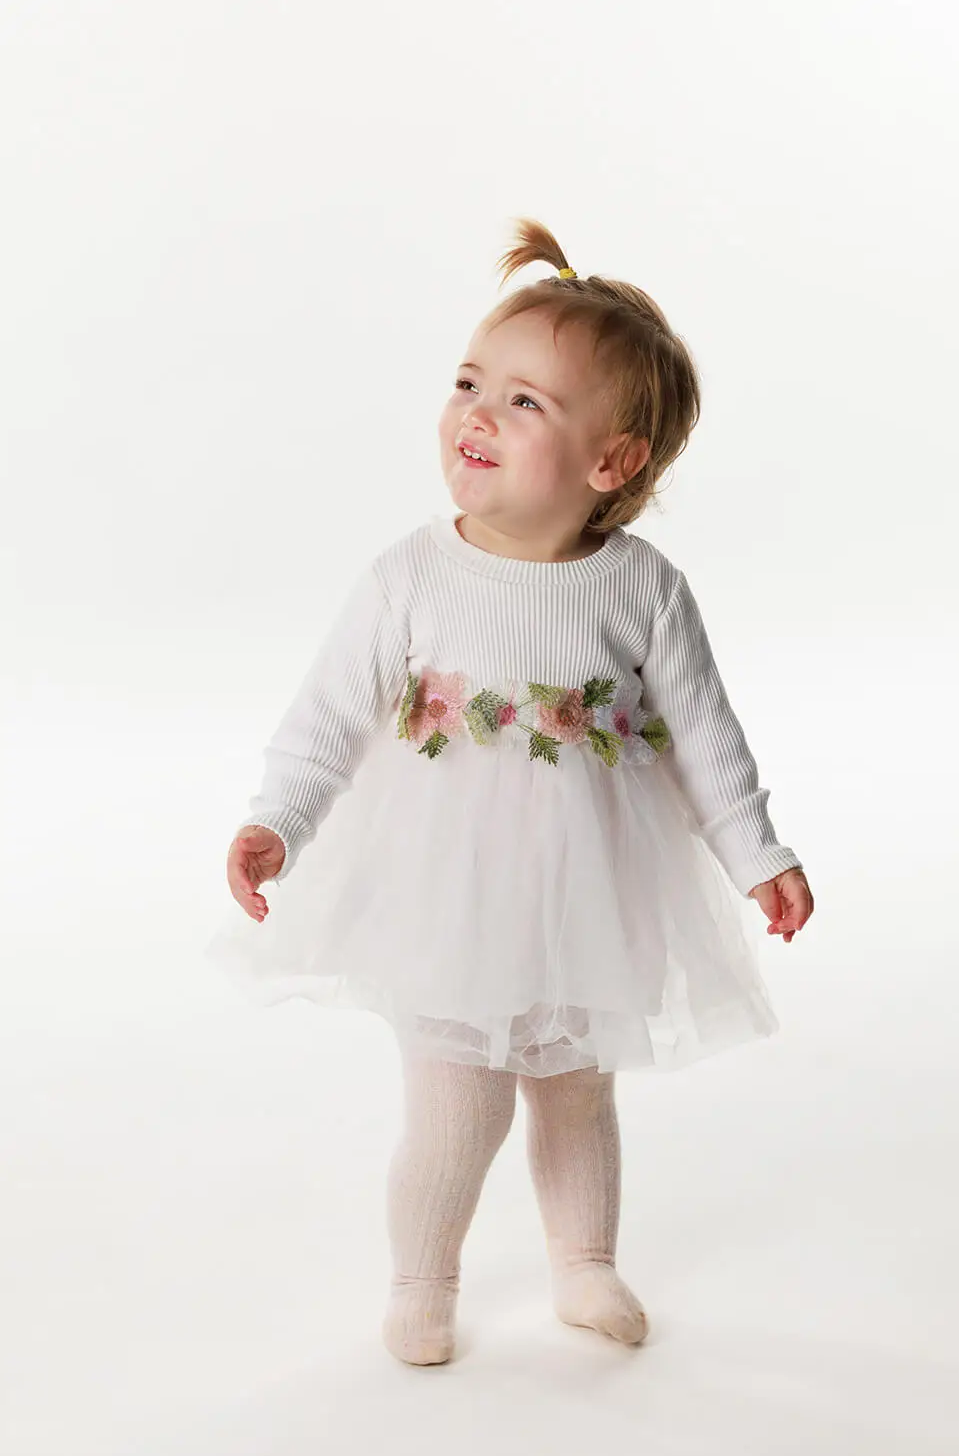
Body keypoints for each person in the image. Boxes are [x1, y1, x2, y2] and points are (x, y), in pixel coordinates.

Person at [204, 217, 815, 1367]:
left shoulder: (641, 589)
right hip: (446, 895)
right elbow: (327, 718)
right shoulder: (410, 575)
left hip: (588, 895)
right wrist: (277, 820)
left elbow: (705, 739)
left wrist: (758, 854)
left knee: (577, 1092)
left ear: (611, 462)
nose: (476, 413)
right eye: (468, 383)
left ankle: (585, 1260)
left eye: (524, 401)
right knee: (458, 1104)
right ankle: (421, 1280)